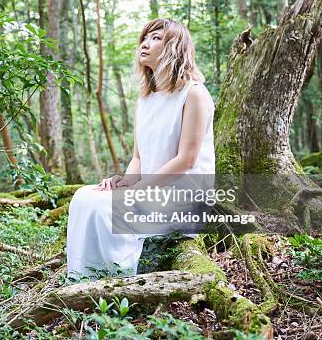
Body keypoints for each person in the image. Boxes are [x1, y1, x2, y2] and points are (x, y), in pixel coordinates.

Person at [66, 17, 215, 278]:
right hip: (149, 192)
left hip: (185, 198)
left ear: (174, 47)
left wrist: (135, 192)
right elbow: (138, 157)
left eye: (156, 38)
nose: (145, 44)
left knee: (105, 209)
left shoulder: (194, 94)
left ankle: (118, 280)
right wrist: (123, 183)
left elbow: (187, 160)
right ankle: (83, 281)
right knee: (84, 197)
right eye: (144, 38)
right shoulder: (144, 99)